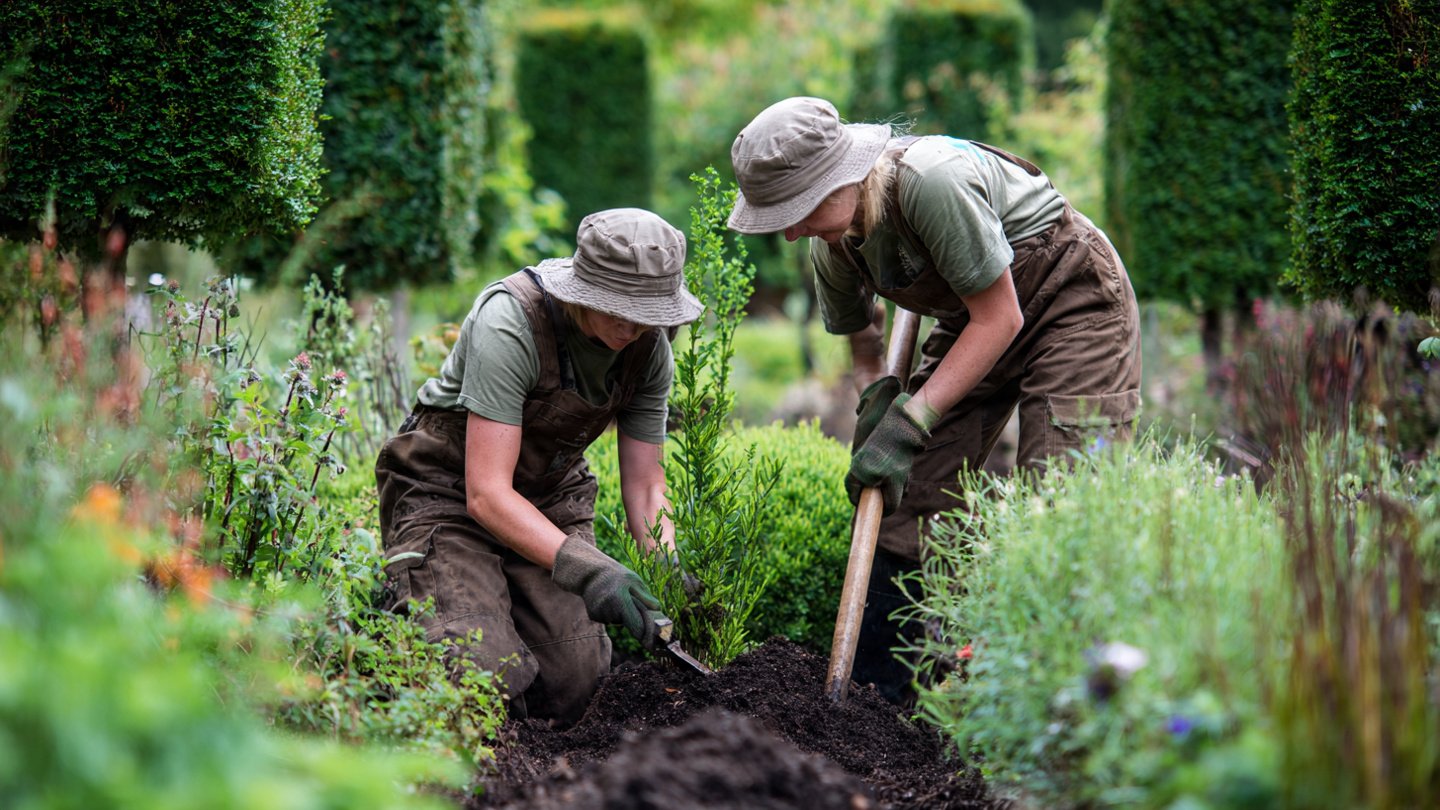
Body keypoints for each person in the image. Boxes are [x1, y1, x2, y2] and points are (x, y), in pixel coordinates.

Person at [728, 97, 1141, 706]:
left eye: (800, 208)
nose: (790, 230)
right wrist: (879, 396)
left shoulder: (932, 182)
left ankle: (1064, 702)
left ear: (845, 173)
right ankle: (882, 700)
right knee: (907, 490)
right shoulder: (830, 243)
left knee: (1064, 494)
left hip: (1067, 299)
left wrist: (912, 419)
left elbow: (1000, 318)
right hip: (971, 314)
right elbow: (864, 340)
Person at [374, 208, 703, 725]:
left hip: (547, 498)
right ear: (584, 289)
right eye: (619, 308)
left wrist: (668, 566)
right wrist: (592, 570)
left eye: (648, 313)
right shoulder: (512, 322)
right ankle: (413, 598)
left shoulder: (648, 351)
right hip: (449, 494)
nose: (633, 325)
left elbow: (645, 486)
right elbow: (486, 494)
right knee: (475, 673)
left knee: (579, 687)